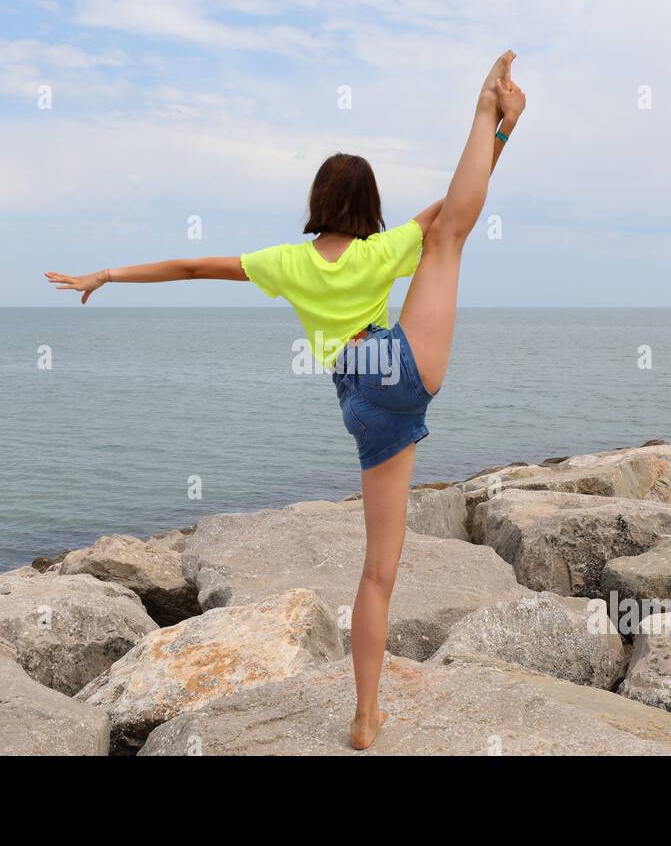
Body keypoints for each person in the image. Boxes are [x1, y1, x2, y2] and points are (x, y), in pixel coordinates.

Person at [47, 51, 525, 749]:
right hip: (394, 366)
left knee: (376, 570)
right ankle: (486, 106)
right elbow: (455, 208)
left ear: (319, 204)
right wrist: (499, 131)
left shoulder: (290, 263)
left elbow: (191, 266)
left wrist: (108, 274)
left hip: (357, 404)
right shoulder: (380, 251)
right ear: (367, 206)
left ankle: (366, 717)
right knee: (450, 235)